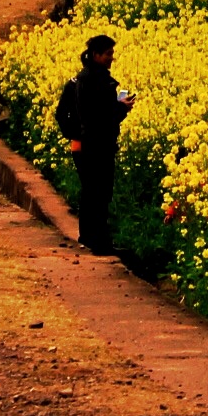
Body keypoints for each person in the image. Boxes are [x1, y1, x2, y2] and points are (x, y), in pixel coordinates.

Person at [53, 34, 133, 254]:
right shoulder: (92, 81)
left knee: (91, 192)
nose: (111, 58)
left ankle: (89, 237)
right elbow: (99, 117)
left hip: (87, 144)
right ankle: (99, 242)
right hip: (96, 146)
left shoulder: (83, 79)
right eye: (108, 54)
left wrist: (76, 135)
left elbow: (70, 115)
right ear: (96, 55)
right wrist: (120, 109)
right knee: (99, 193)